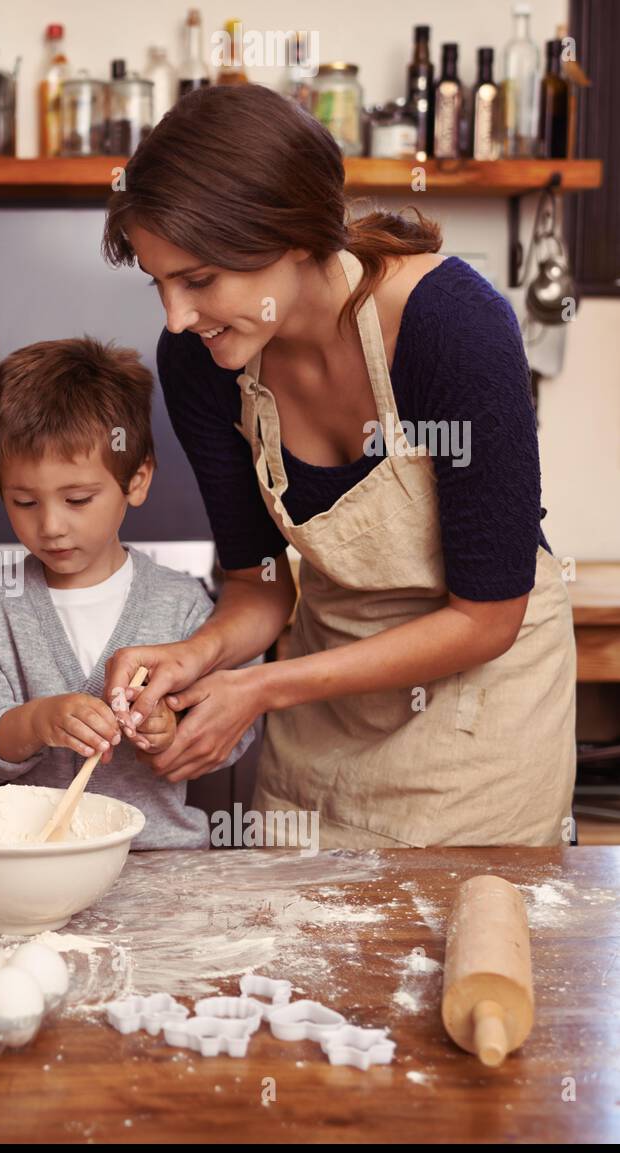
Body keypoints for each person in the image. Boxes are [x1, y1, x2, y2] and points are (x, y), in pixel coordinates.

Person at [101, 84, 575, 848]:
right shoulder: (199, 362)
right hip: (322, 702)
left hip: (479, 707)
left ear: (290, 236)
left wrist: (260, 687)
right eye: (159, 283)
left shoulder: (452, 326)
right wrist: (198, 656)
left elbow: (489, 618)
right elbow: (259, 588)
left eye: (197, 280)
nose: (176, 317)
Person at [0, 338, 253, 848]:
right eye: (23, 502)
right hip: (33, 869)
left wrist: (171, 730)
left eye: (78, 499)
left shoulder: (182, 604)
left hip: (160, 867)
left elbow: (235, 728)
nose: (51, 526)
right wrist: (36, 721)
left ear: (136, 481)